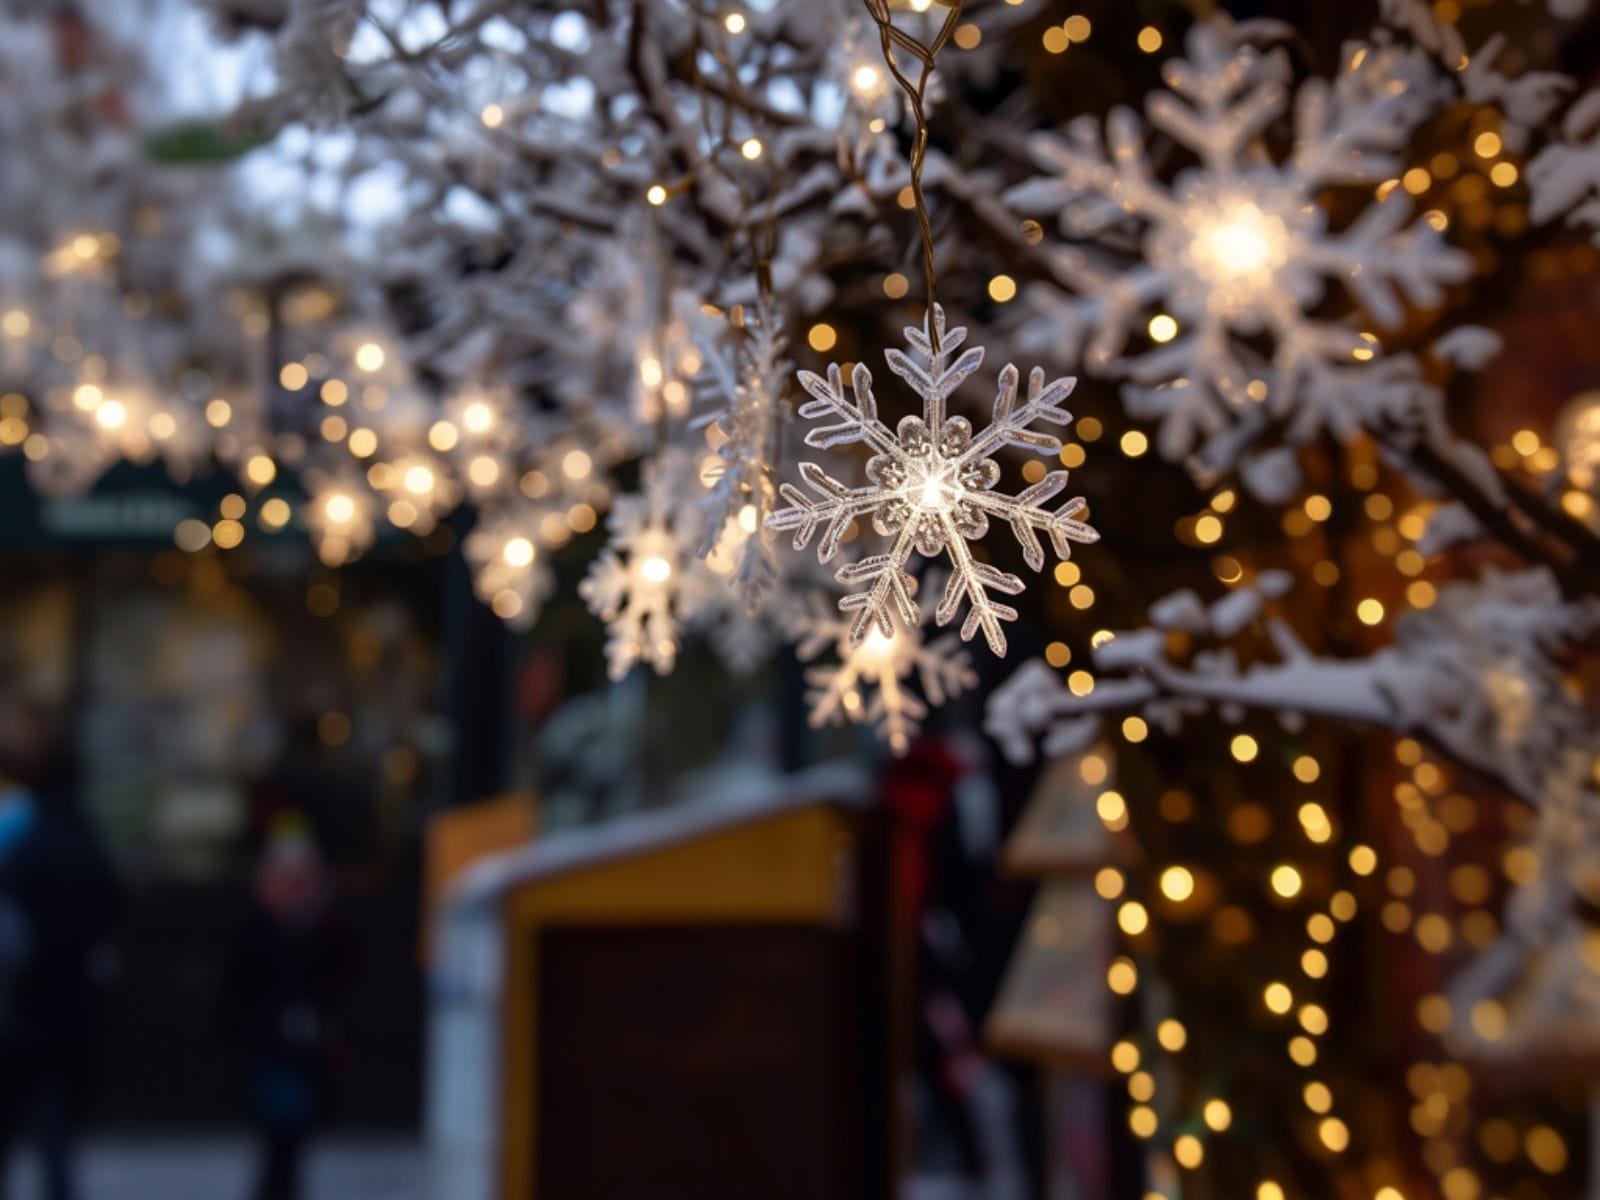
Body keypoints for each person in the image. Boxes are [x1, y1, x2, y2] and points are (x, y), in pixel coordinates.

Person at [0, 701, 120, 1200]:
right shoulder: (84, 836)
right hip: (67, 1007)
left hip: (22, 1008)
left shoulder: (25, 832)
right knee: (55, 1135)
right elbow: (113, 904)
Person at [221, 816, 355, 1200]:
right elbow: (237, 988)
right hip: (270, 1044)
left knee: (291, 1140)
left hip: (303, 1045)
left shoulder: (324, 925)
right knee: (276, 1139)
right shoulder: (261, 927)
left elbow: (343, 979)